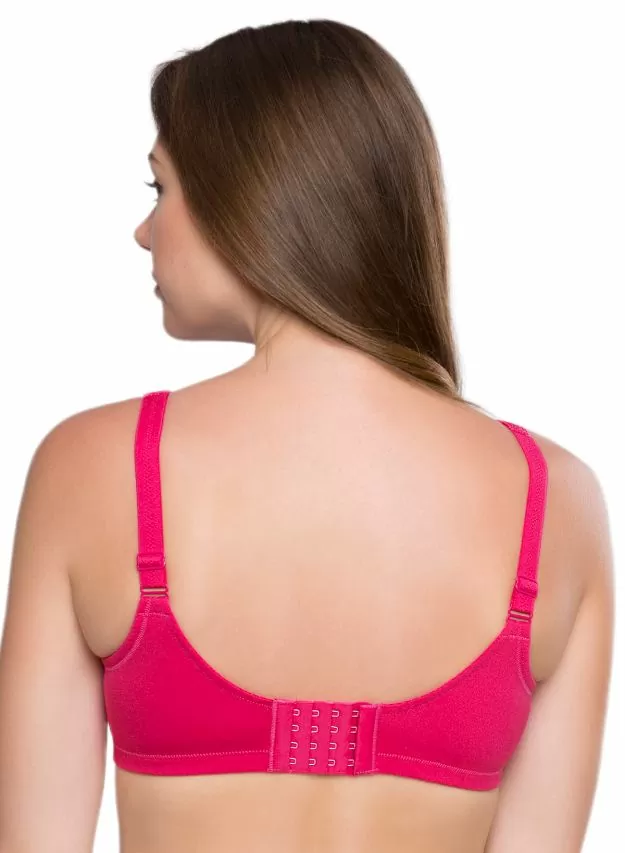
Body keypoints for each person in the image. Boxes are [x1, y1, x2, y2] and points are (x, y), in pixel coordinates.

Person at [0, 18, 614, 853]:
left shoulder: (95, 467)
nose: (144, 230)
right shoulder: (556, 500)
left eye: (159, 188)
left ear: (248, 192)